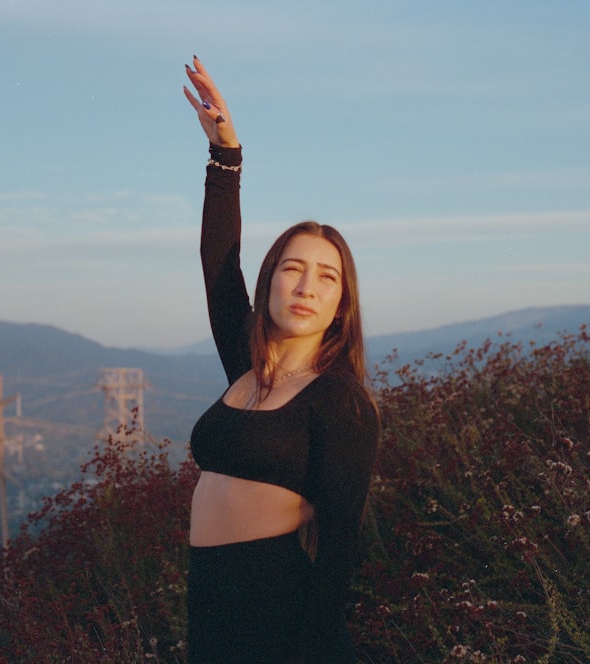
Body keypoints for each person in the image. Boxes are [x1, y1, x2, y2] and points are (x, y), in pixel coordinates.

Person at [182, 56, 380, 663]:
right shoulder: (246, 366)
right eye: (292, 268)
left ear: (340, 305)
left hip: (281, 621)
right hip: (210, 612)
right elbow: (219, 263)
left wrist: (309, 646)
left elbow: (341, 543)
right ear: (269, 282)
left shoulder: (338, 400)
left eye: (326, 277)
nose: (305, 286)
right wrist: (227, 156)